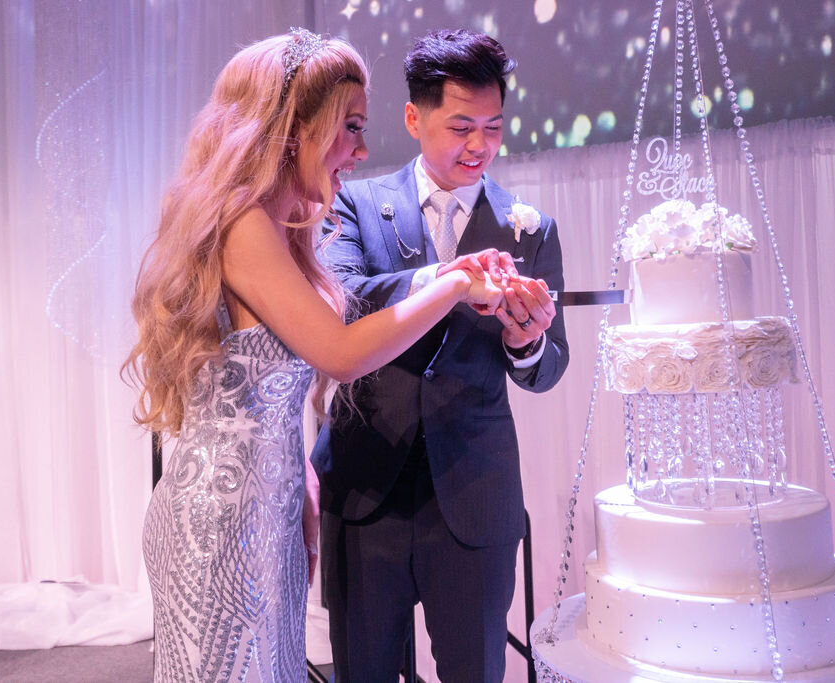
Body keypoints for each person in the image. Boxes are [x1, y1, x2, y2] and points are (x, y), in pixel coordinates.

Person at [123, 30, 510, 682]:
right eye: (349, 127)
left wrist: (297, 479)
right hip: (219, 529)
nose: (361, 149)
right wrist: (454, 281)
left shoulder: (278, 226)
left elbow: (258, 390)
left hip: (265, 516)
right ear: (295, 128)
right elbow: (340, 353)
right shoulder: (242, 222)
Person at [310, 29, 569, 682]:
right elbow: (342, 301)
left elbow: (550, 365)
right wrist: (447, 278)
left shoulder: (529, 227)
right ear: (414, 119)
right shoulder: (356, 202)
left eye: (493, 127)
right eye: (461, 126)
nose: (479, 146)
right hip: (367, 487)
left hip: (475, 494)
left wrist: (526, 339)